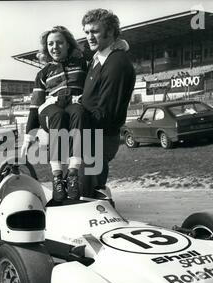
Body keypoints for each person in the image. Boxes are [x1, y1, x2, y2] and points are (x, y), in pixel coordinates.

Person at [21, 26, 87, 202]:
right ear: (46, 47)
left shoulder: (82, 64)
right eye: (50, 44)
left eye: (59, 42)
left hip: (74, 104)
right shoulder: (43, 73)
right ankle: (57, 176)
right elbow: (35, 106)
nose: (55, 47)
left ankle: (72, 174)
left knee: (79, 113)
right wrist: (29, 135)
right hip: (50, 108)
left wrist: (120, 45)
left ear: (68, 45)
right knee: (57, 115)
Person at [79, 9, 136, 198]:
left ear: (110, 31)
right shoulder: (98, 59)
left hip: (99, 139)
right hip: (87, 137)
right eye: (86, 32)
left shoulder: (116, 63)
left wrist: (72, 118)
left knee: (85, 198)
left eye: (94, 31)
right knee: (74, 192)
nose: (89, 37)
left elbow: (106, 113)